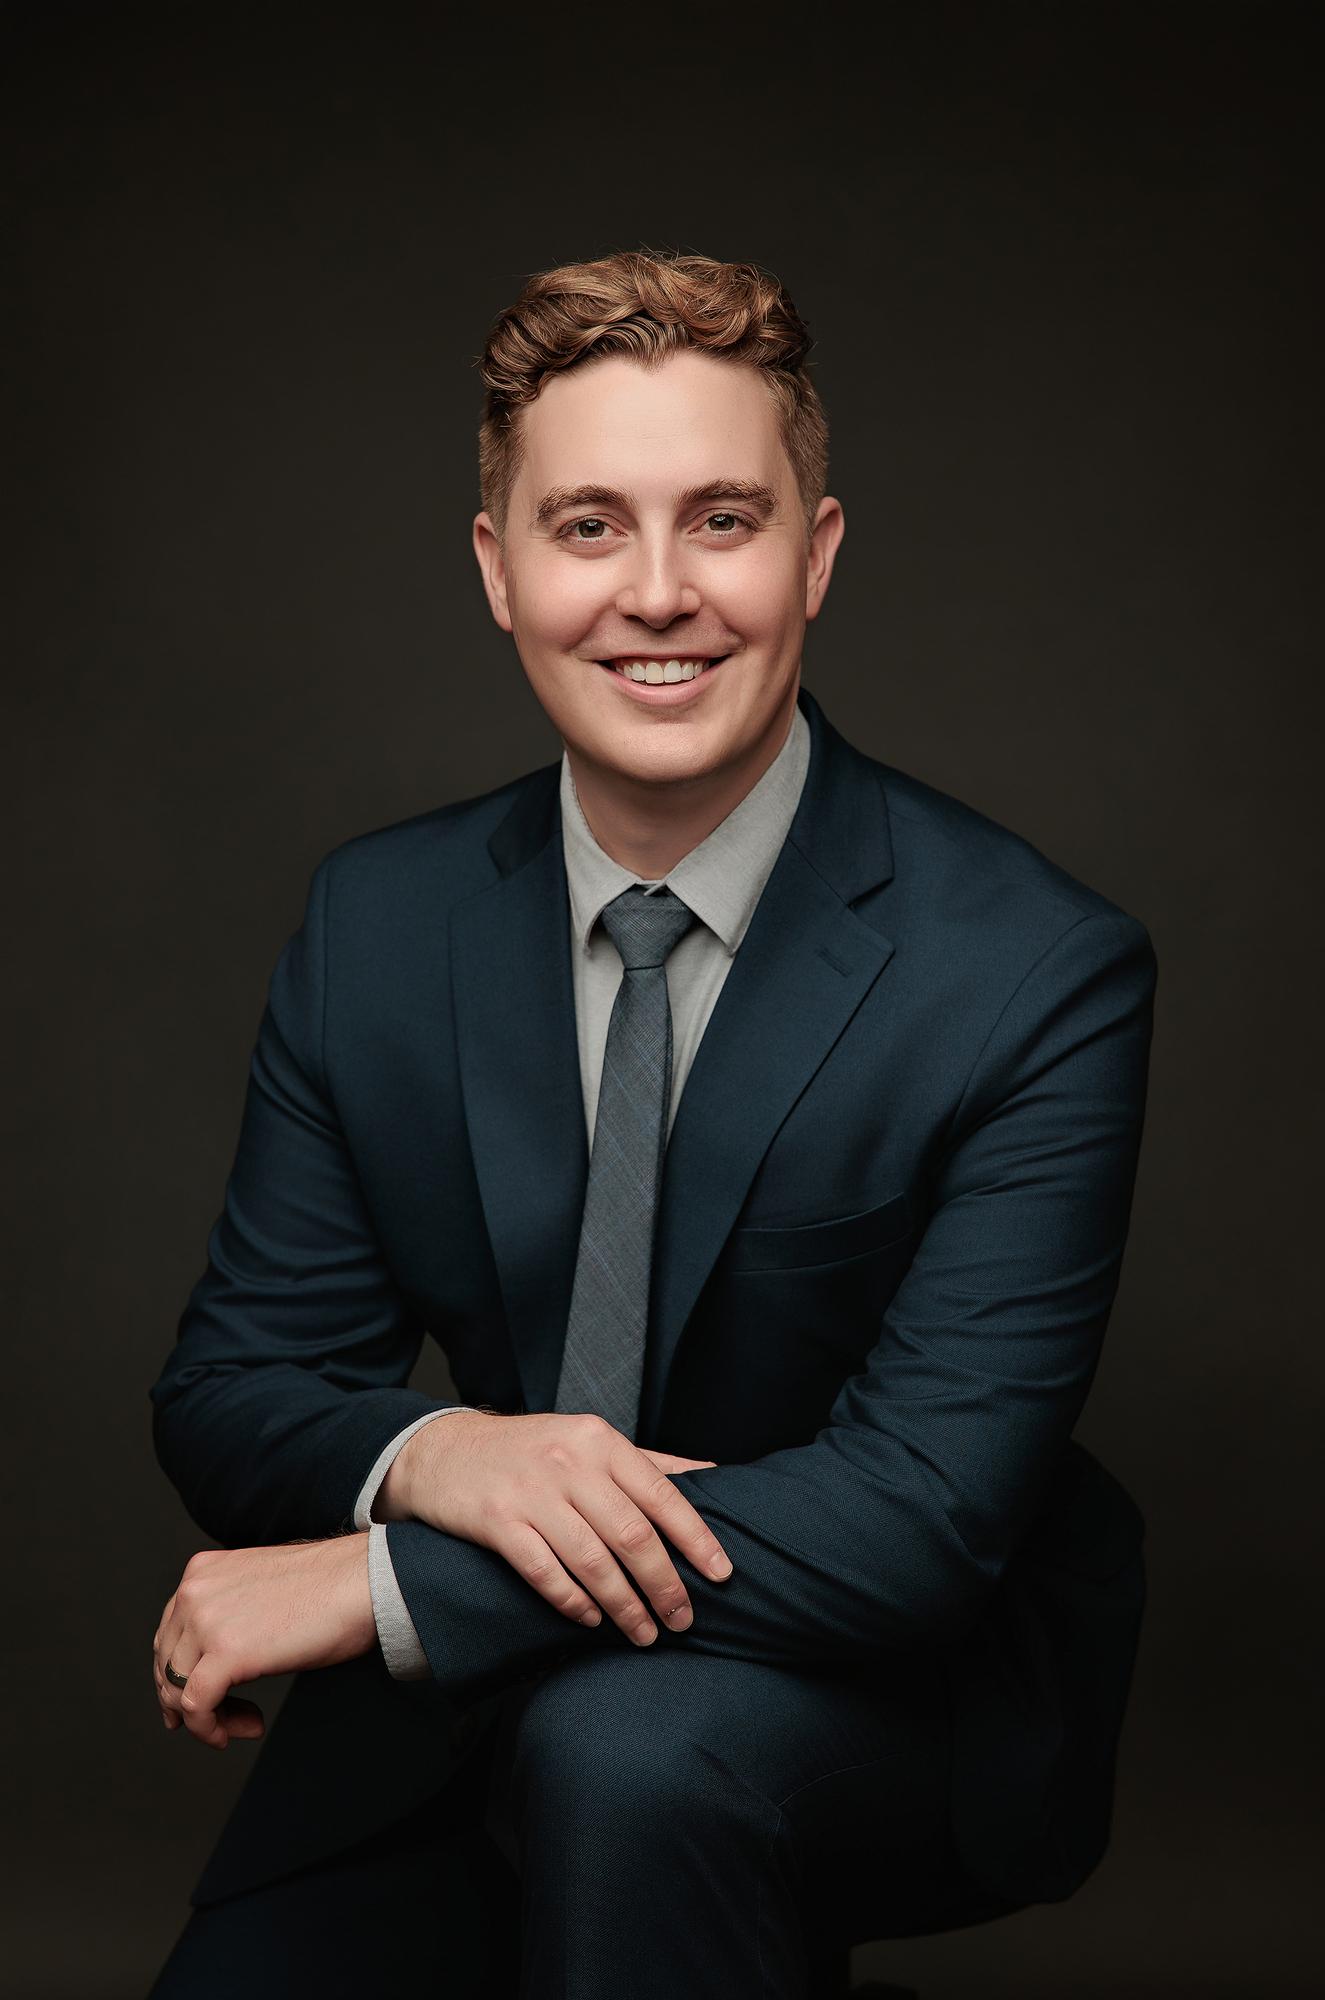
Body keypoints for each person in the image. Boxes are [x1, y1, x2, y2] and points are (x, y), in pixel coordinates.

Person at [146, 248, 1157, 1998]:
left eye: (723, 521)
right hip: (475, 1721)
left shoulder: (1035, 969)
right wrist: (444, 1458)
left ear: (817, 555)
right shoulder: (379, 924)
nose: (660, 594)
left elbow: (914, 1520)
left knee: (625, 1759)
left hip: (878, 1691)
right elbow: (234, 1389)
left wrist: (388, 1592)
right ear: (499, 570)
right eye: (590, 526)